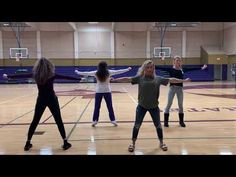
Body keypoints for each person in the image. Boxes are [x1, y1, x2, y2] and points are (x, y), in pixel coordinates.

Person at [3, 57, 81, 151]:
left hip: (41, 100)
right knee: (58, 120)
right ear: (49, 66)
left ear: (38, 67)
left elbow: (21, 76)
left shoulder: (35, 75)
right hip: (52, 100)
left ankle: (27, 143)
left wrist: (8, 76)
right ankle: (65, 142)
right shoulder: (52, 75)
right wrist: (78, 79)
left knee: (35, 121)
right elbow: (65, 77)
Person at [112, 60, 191, 152]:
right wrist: (116, 80)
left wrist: (183, 80)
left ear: (154, 68)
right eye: (148, 67)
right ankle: (133, 143)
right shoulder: (140, 78)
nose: (150, 69)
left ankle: (161, 142)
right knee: (137, 125)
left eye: (152, 67)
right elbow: (128, 79)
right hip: (141, 107)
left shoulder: (158, 79)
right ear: (144, 68)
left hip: (154, 107)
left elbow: (171, 80)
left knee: (158, 126)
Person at [75, 61, 132, 127]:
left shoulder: (96, 72)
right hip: (107, 92)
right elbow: (119, 71)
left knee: (97, 107)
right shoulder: (108, 72)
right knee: (109, 106)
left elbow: (86, 73)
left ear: (99, 67)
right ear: (106, 66)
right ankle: (113, 120)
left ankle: (95, 121)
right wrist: (127, 69)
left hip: (99, 92)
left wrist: (78, 72)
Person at [156, 55, 207, 127]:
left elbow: (192, 69)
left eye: (179, 60)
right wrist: (151, 65)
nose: (178, 62)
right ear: (173, 62)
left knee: (180, 105)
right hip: (172, 88)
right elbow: (159, 68)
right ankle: (166, 122)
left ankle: (181, 122)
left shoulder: (182, 70)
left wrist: (201, 68)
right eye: (177, 60)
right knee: (169, 104)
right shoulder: (170, 69)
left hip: (180, 89)